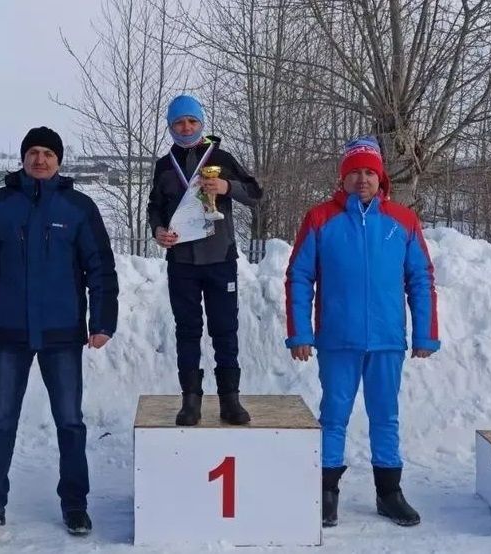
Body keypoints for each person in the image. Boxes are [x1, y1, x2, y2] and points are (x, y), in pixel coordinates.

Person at [0, 127, 118, 537]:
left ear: (59, 160)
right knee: (1, 422)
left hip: (62, 333)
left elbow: (100, 269)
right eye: (33, 153)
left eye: (47, 153)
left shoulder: (79, 208)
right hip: (10, 333)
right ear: (23, 158)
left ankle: (75, 505)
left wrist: (102, 321)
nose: (40, 160)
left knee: (70, 422)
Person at [285, 136, 439, 528]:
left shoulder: (403, 221)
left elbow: (421, 278)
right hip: (338, 338)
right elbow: (299, 277)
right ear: (343, 178)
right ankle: (327, 492)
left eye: (370, 171)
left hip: (387, 338)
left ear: (381, 176)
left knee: (385, 416)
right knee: (334, 414)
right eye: (354, 172)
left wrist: (425, 334)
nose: (363, 179)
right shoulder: (320, 218)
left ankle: (389, 492)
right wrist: (300, 332)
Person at [146, 95, 263, 426]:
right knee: (187, 329)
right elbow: (154, 206)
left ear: (202, 123)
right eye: (179, 122)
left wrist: (226, 186)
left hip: (219, 258)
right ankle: (191, 402)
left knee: (225, 328)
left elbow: (256, 194)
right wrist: (157, 229)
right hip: (182, 261)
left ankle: (230, 400)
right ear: (170, 127)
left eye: (192, 121)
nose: (186, 127)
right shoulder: (164, 164)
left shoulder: (221, 157)